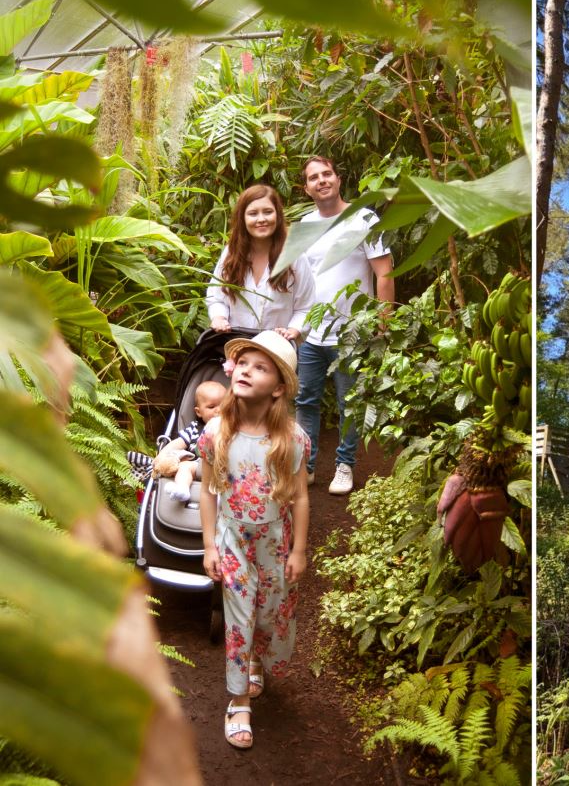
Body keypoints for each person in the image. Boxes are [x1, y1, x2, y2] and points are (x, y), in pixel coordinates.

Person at [197, 330, 312, 750]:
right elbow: (208, 491)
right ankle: (239, 699)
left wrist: (299, 549)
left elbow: (300, 497)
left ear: (278, 387)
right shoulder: (215, 433)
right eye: (243, 363)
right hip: (232, 540)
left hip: (275, 541)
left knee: (269, 613)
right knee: (240, 618)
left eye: (260, 367)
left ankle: (256, 662)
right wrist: (210, 545)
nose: (246, 370)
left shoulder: (291, 439)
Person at [294, 156, 394, 496]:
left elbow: (384, 273)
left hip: (352, 333)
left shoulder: (364, 217)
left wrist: (382, 324)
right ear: (306, 188)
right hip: (310, 334)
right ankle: (305, 467)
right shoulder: (304, 226)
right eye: (313, 177)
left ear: (338, 178)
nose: (321, 180)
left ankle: (344, 465)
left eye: (327, 174)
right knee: (305, 400)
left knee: (349, 403)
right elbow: (297, 280)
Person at [206, 185, 314, 341]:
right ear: (242, 218)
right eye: (253, 213)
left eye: (268, 212)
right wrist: (219, 317)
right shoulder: (231, 254)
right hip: (238, 350)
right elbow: (216, 298)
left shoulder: (294, 256)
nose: (261, 219)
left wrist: (293, 330)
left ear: (278, 215)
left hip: (278, 351)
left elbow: (306, 307)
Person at [126, 380, 227, 497]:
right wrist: (160, 457)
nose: (219, 410)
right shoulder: (195, 428)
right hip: (198, 467)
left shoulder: (232, 427)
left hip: (223, 468)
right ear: (199, 412)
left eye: (223, 405)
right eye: (211, 407)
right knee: (184, 467)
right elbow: (178, 443)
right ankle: (182, 488)